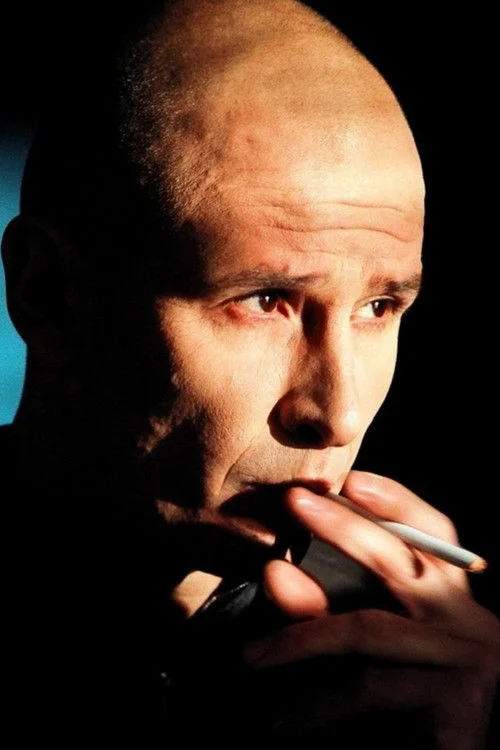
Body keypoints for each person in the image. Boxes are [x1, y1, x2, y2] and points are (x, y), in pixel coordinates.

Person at [1, 0, 499, 746]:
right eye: (266, 300)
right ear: (51, 297)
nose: (338, 415)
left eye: (378, 307)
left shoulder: (405, 671)